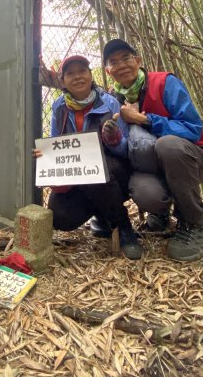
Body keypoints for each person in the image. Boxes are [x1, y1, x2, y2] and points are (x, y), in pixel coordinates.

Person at [102, 39, 203, 262]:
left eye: (126, 58)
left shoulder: (164, 82)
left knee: (167, 145)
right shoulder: (114, 99)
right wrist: (113, 138)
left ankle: (194, 223)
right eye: (114, 62)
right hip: (151, 167)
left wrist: (145, 119)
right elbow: (125, 148)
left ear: (138, 60)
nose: (121, 65)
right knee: (145, 192)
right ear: (108, 71)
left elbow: (193, 129)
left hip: (189, 158)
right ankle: (160, 214)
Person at [34, 55, 143, 260]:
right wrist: (46, 156)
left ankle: (123, 226)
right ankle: (102, 213)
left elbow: (127, 149)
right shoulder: (59, 107)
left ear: (91, 76)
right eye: (70, 73)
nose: (77, 77)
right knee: (60, 218)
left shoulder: (110, 102)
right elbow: (56, 143)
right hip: (82, 174)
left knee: (97, 171)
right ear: (63, 80)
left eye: (82, 71)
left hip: (114, 170)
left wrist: (114, 139)